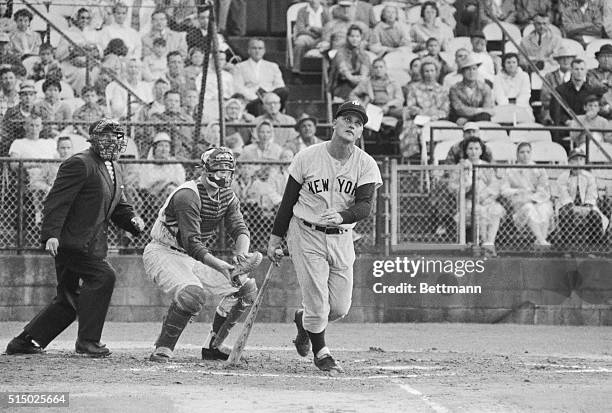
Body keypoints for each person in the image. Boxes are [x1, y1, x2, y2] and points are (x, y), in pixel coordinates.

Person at [5, 119, 145, 357]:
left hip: (91, 243)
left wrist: (132, 221)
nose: (113, 141)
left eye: (117, 137)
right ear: (93, 139)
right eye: (106, 136)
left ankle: (24, 342)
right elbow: (57, 201)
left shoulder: (113, 166)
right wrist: (51, 235)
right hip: (70, 242)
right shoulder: (79, 163)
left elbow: (118, 205)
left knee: (68, 299)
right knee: (104, 276)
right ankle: (88, 342)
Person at [267, 100, 382, 373]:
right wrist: (275, 238)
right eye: (347, 119)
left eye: (358, 122)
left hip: (342, 236)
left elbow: (365, 206)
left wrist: (343, 216)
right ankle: (322, 353)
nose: (352, 124)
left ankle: (304, 322)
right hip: (306, 232)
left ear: (361, 131)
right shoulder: (307, 156)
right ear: (334, 123)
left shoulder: (365, 163)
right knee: (317, 302)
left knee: (339, 307)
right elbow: (288, 201)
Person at [144, 147, 262, 362]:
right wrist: (222, 266)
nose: (223, 176)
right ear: (204, 170)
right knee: (193, 295)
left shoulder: (227, 195)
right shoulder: (187, 195)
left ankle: (213, 346)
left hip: (191, 255)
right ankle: (163, 348)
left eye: (228, 172)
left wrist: (241, 257)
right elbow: (192, 243)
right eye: (218, 171)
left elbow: (239, 228)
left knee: (245, 289)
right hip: (164, 251)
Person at [449, 136, 505, 257]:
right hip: (468, 201)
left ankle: (489, 243)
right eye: (470, 148)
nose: (473, 151)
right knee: (479, 211)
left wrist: (486, 197)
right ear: (466, 151)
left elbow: (495, 185)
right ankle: (485, 246)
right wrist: (467, 186)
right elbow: (453, 186)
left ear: (481, 151)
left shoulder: (486, 166)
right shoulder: (460, 167)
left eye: (476, 148)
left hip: (486, 199)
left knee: (496, 210)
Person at [555, 148, 609, 249]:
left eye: (580, 159)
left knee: (595, 216)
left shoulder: (589, 177)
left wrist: (587, 206)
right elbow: (563, 194)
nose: (578, 162)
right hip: (568, 206)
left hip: (586, 207)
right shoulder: (563, 177)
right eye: (575, 159)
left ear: (584, 162)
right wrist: (571, 206)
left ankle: (594, 244)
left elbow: (591, 194)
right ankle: (567, 244)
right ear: (569, 162)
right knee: (565, 213)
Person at [501, 142, 554, 247]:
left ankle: (540, 241)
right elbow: (504, 190)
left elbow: (544, 189)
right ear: (517, 154)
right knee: (529, 208)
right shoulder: (510, 170)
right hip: (520, 203)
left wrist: (533, 198)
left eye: (528, 152)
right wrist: (518, 191)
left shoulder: (539, 169)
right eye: (522, 152)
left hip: (536, 201)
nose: (525, 155)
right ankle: (541, 241)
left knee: (545, 208)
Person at [233, 38, 289, 116]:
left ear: (264, 51)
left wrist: (267, 95)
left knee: (284, 91)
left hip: (270, 96)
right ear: (249, 50)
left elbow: (279, 85)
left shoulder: (272, 66)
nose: (257, 51)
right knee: (257, 104)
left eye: (260, 48)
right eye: (254, 48)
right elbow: (238, 87)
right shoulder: (240, 67)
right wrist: (255, 97)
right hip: (251, 99)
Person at [449, 54, 494, 126]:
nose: (471, 72)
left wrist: (468, 120)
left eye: (474, 69)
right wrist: (478, 110)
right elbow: (459, 108)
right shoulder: (454, 88)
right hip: (459, 117)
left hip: (479, 118)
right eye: (468, 69)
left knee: (485, 116)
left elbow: (487, 108)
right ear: (462, 72)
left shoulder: (485, 87)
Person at [329, 24, 370, 100]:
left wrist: (361, 78)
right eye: (352, 36)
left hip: (358, 85)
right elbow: (345, 72)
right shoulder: (340, 53)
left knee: (369, 92)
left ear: (361, 38)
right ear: (347, 37)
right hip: (342, 84)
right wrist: (353, 78)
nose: (355, 39)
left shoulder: (363, 54)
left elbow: (365, 72)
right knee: (355, 97)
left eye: (357, 36)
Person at [292, 0, 331, 73]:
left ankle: (329, 73)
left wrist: (312, 28)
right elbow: (301, 29)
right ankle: (296, 71)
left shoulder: (326, 12)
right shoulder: (302, 11)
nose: (314, 1)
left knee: (332, 42)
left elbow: (329, 29)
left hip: (322, 38)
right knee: (299, 42)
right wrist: (316, 33)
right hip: (308, 37)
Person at [540, 47, 576, 125]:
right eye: (562, 58)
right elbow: (545, 96)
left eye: (568, 58)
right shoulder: (549, 76)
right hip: (553, 110)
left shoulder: (576, 76)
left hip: (574, 111)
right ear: (558, 60)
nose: (566, 61)